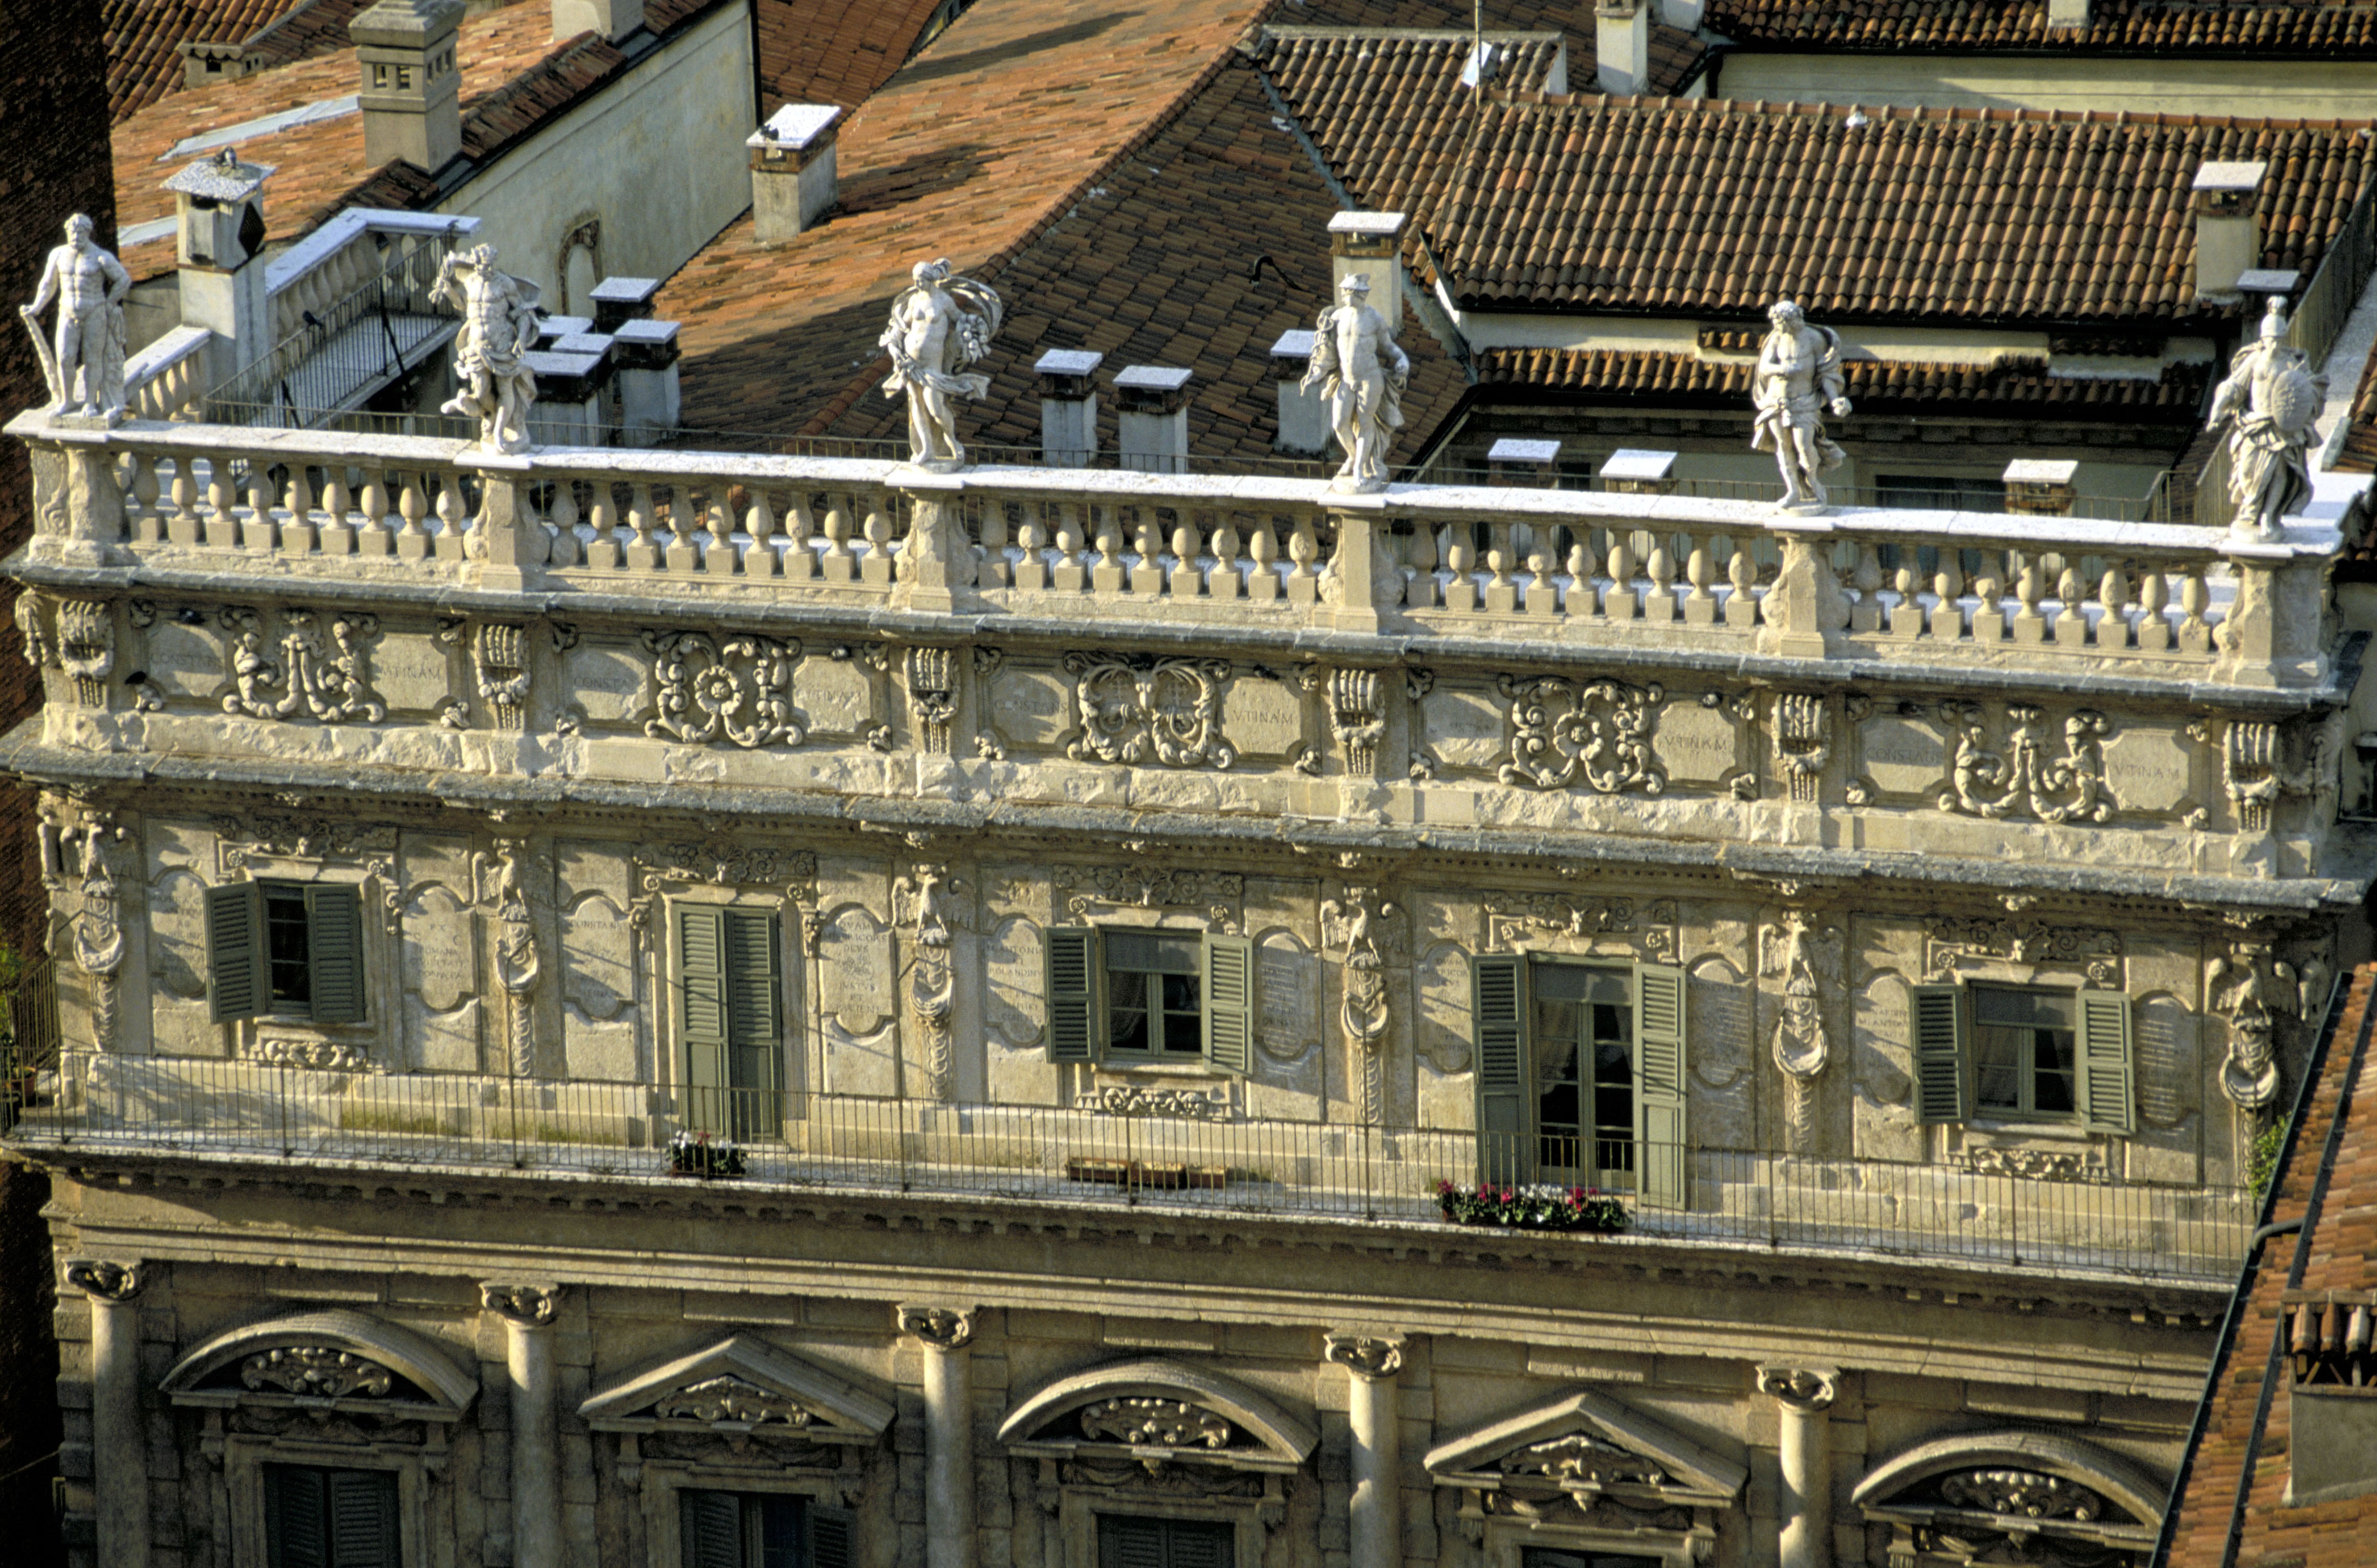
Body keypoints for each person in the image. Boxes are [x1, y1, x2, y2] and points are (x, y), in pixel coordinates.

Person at [2209, 296, 2326, 541]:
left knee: (2279, 474)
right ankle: (2251, 510)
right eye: (2270, 339)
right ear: (2263, 339)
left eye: (2278, 340)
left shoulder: (2291, 363)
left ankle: (2269, 516)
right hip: (2254, 424)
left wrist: (2304, 408)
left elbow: (2308, 389)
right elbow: (2233, 387)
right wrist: (2217, 412)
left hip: (2281, 427)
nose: (2274, 344)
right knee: (2248, 472)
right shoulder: (2254, 360)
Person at [878, 258, 1002, 468]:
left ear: (931, 279)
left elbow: (961, 319)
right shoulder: (914, 300)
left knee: (935, 408)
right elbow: (901, 326)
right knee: (917, 404)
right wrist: (894, 347)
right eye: (915, 280)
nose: (917, 284)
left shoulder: (944, 301)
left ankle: (952, 441)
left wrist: (975, 327)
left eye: (921, 280)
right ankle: (927, 449)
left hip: (932, 366)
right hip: (910, 363)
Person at [1303, 273, 1410, 493]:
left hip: (1370, 379)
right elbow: (1327, 350)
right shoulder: (1337, 317)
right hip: (1346, 379)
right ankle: (1352, 457)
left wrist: (1403, 359)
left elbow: (1389, 347)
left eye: (1348, 291)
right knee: (1339, 424)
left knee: (1365, 423)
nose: (1344, 295)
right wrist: (1316, 373)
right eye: (1344, 291)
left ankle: (1360, 469)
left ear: (1360, 294)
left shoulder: (1375, 319)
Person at [432, 245, 542, 453]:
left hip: (502, 344)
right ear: (476, 264)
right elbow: (465, 306)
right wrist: (449, 292)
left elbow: (522, 313)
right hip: (476, 345)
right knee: (482, 391)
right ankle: (490, 414)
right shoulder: (471, 281)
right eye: (482, 266)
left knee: (505, 389)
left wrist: (520, 338)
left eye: (490, 265)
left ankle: (499, 432)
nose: (487, 269)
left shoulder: (504, 283)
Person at [21, 214, 132, 419]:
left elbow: (123, 280)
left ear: (88, 233)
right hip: (67, 311)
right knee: (65, 357)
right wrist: (37, 306)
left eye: (80, 232)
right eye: (72, 232)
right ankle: (67, 401)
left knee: (92, 359)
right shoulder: (58, 255)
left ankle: (90, 402)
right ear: (67, 232)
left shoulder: (101, 257)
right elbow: (48, 284)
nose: (76, 236)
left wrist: (109, 303)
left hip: (94, 312)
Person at [1751, 299, 1852, 510]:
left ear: (1792, 320)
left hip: (1805, 403)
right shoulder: (1777, 338)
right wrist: (1783, 370)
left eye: (1781, 323)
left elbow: (1825, 373)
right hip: (1777, 402)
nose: (1778, 327)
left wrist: (1834, 400)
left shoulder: (1814, 339)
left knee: (1804, 447)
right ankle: (1793, 490)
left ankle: (1812, 480)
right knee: (1783, 446)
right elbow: (1764, 367)